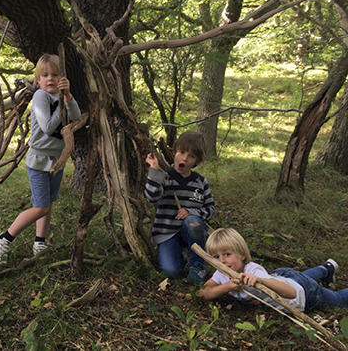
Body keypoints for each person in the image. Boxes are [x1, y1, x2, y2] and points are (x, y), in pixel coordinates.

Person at [0, 54, 81, 263]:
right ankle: (3, 237)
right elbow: (49, 127)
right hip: (39, 160)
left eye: (55, 74)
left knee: (47, 204)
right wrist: (61, 104)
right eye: (45, 75)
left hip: (56, 160)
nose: (50, 78)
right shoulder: (40, 96)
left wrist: (68, 97)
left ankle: (39, 242)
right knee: (40, 207)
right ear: (37, 80)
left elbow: (75, 117)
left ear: (62, 78)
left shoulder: (61, 96)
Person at [199, 227, 344, 312]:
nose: (222, 261)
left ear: (242, 255)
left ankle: (327, 270)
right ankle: (327, 268)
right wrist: (226, 287)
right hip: (285, 276)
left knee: (338, 299)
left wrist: (260, 280)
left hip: (304, 294)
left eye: (227, 254)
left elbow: (291, 292)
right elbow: (203, 293)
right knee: (301, 276)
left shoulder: (253, 271)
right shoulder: (221, 273)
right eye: (216, 256)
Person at [145, 131, 214, 284]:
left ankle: (198, 266)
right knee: (171, 272)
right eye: (182, 152)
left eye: (191, 156)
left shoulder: (200, 182)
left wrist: (191, 212)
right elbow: (152, 196)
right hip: (167, 233)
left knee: (193, 221)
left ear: (197, 161)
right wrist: (154, 170)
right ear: (174, 152)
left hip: (189, 232)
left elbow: (210, 208)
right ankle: (180, 255)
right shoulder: (165, 178)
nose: (184, 158)